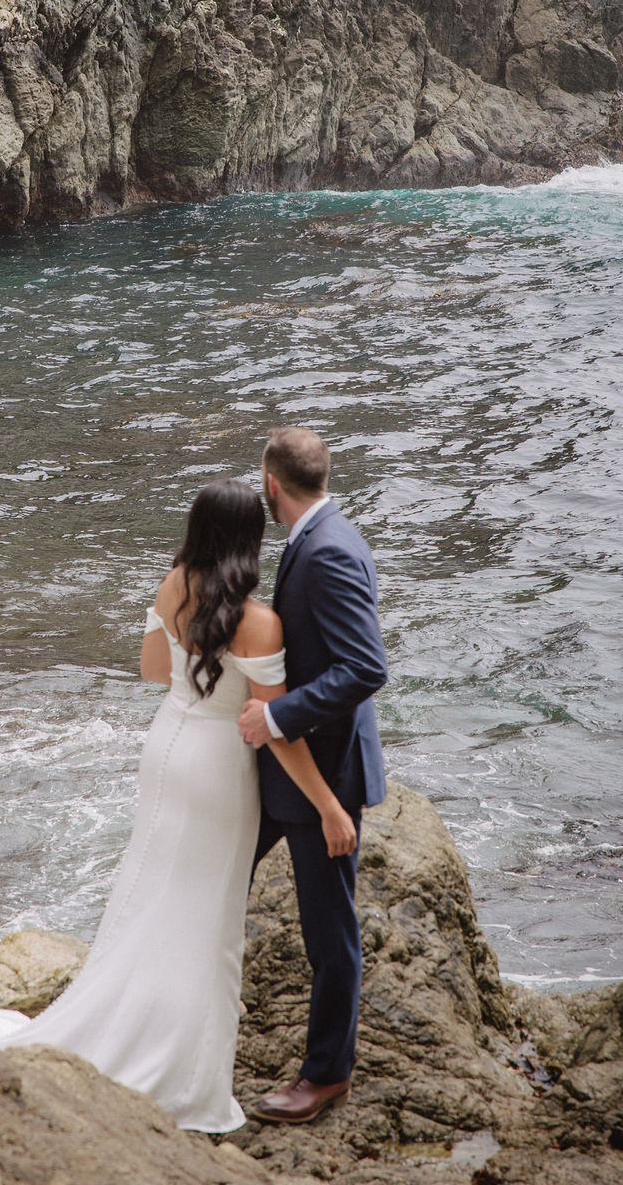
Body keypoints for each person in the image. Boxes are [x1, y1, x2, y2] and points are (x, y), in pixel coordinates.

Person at [0, 478, 357, 1132]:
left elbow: (154, 672)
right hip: (218, 767)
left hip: (166, 748)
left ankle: (123, 1014)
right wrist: (329, 805)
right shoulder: (260, 620)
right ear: (250, 540)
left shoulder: (173, 586)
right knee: (206, 914)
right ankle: (180, 1066)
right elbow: (281, 733)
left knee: (153, 888)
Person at [237, 426, 388, 1125]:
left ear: (272, 485)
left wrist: (276, 719)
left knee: (331, 935)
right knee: (218, 878)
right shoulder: (326, 536)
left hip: (320, 774)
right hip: (291, 771)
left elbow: (365, 668)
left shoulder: (326, 551)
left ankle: (326, 1075)